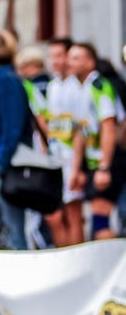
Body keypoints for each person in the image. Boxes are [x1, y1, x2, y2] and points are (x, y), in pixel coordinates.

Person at [0, 30, 33, 250]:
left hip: (10, 167)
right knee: (10, 227)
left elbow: (12, 127)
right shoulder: (4, 79)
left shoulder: (6, 80)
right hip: (6, 165)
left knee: (13, 230)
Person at [68, 42, 124, 240]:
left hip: (110, 161)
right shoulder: (81, 89)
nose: (69, 62)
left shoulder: (100, 87)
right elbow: (81, 133)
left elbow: (108, 127)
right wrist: (77, 169)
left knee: (101, 219)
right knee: (95, 219)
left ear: (90, 62)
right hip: (93, 163)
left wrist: (104, 167)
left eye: (76, 58)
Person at [44, 37, 84, 247]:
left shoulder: (75, 88)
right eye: (52, 56)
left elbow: (79, 130)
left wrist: (76, 168)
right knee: (54, 216)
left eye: (59, 55)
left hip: (70, 158)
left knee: (72, 213)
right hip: (55, 157)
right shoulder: (53, 86)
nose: (55, 61)